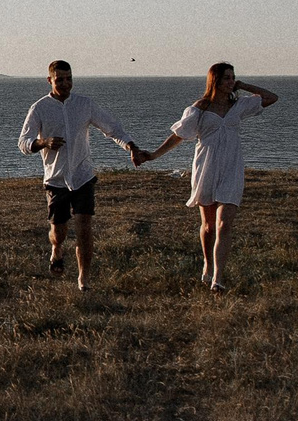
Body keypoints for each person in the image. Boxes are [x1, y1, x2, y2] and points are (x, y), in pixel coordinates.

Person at [139, 63, 278, 293]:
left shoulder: (239, 106)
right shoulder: (198, 110)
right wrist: (154, 155)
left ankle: (218, 279)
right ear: (215, 81)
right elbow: (178, 136)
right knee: (208, 226)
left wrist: (242, 85)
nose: (230, 82)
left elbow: (271, 97)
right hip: (206, 168)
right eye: (226, 78)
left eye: (233, 78)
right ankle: (208, 262)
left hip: (231, 169)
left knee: (225, 224)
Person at [16, 60, 145, 287]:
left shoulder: (85, 105)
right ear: (50, 80)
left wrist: (131, 147)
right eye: (60, 80)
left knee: (84, 229)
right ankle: (56, 249)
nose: (65, 84)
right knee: (59, 231)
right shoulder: (39, 108)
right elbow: (23, 143)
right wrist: (44, 142)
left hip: (83, 177)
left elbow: (112, 128)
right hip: (55, 180)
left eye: (69, 79)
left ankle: (83, 279)